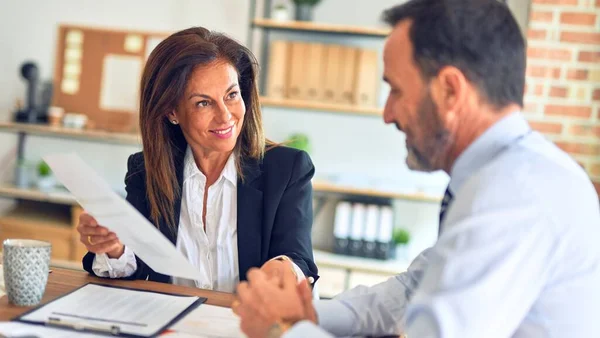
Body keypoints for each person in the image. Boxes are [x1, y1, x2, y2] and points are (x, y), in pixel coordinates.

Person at [233, 0, 600, 337]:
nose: (388, 114)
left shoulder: (514, 193)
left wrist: (283, 330)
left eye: (396, 90)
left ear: (450, 91)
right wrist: (311, 315)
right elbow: (415, 288)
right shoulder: (499, 174)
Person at [76, 27, 319, 292]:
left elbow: (298, 259)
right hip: (169, 325)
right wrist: (114, 248)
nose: (225, 115)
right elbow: (136, 263)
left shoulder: (287, 169)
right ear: (172, 112)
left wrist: (283, 268)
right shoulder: (147, 171)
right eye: (204, 102)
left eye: (232, 95)